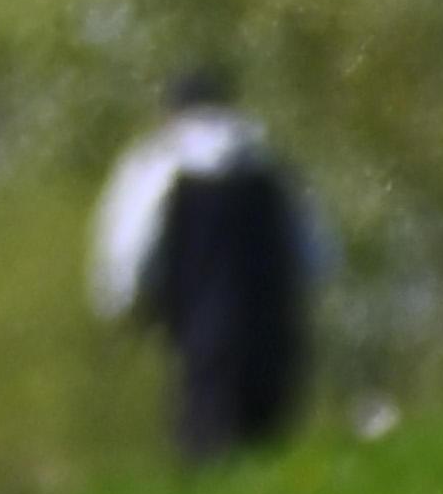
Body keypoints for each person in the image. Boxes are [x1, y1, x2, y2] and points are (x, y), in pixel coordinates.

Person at [89, 70, 324, 470]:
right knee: (270, 444)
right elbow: (315, 250)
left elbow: (131, 244)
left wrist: (123, 302)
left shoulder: (159, 162)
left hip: (200, 323)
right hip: (271, 321)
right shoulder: (267, 159)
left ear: (172, 112)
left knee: (207, 444)